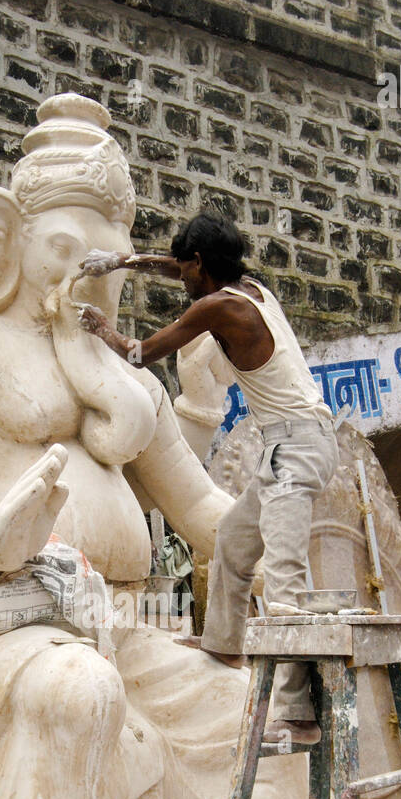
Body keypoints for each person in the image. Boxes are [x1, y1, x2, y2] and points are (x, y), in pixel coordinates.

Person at [78, 209, 339, 745]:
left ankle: (299, 716)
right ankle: (224, 642)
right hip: (286, 444)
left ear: (200, 264)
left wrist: (100, 326)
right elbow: (174, 268)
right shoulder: (247, 287)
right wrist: (122, 261)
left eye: (185, 267)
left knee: (285, 579)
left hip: (300, 446)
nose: (180, 276)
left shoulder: (220, 308)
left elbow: (141, 352)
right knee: (235, 544)